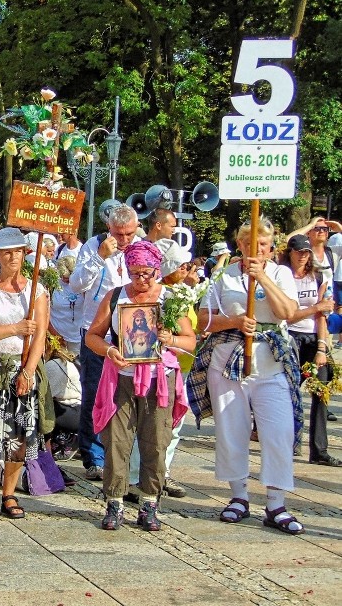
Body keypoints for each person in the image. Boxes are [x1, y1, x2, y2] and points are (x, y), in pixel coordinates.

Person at [189, 217, 304, 534]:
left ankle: (276, 502)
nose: (257, 251)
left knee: (278, 431)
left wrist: (262, 279)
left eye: (263, 246)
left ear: (270, 248)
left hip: (271, 363)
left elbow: (288, 313)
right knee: (231, 428)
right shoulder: (223, 276)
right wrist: (235, 322)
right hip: (228, 360)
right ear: (239, 245)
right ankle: (238, 496)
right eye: (250, 245)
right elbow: (203, 320)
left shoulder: (281, 274)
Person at [86, 240, 194, 530]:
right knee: (116, 442)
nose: (141, 280)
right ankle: (114, 503)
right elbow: (92, 336)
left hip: (159, 380)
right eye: (135, 274)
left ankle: (149, 503)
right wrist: (110, 351)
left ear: (158, 270)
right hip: (121, 378)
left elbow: (190, 340)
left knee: (156, 442)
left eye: (147, 273)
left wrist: (170, 340)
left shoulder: (170, 298)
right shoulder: (116, 297)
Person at [0, 227, 48, 520]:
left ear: (25, 254)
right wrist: (14, 328)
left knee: (19, 432)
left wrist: (28, 372)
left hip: (22, 367)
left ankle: (10, 492)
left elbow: (40, 334)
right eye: (7, 252)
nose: (13, 256)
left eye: (18, 251)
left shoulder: (36, 290)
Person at [68, 204, 140, 481]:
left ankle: (126, 456)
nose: (124, 240)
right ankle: (94, 456)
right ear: (109, 228)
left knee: (130, 396)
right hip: (97, 332)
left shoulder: (141, 246)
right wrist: (99, 257)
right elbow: (76, 285)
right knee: (96, 395)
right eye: (118, 234)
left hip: (132, 332)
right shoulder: (93, 246)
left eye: (129, 234)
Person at [279, 235, 339, 466]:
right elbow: (287, 314)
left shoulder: (318, 276)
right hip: (289, 336)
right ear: (290, 253)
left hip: (313, 337)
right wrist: (316, 307)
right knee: (288, 394)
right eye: (299, 252)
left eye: (306, 252)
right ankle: (289, 442)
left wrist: (322, 347)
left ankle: (319, 450)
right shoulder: (282, 276)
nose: (303, 256)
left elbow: (323, 315)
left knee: (321, 391)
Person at [49, 256, 83, 356]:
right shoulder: (52, 285)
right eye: (63, 277)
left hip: (78, 338)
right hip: (57, 338)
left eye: (69, 277)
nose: (66, 279)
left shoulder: (83, 285)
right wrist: (55, 335)